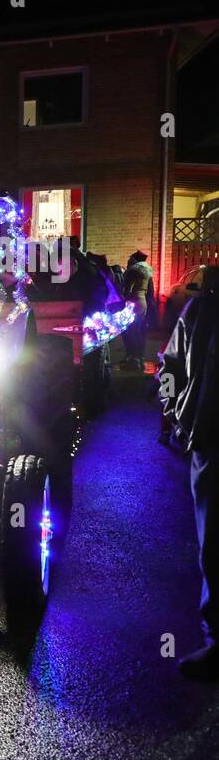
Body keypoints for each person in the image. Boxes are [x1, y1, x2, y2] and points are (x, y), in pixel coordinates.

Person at [161, 266, 219, 678]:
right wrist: (175, 413)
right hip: (210, 441)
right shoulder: (201, 308)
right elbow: (170, 365)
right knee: (214, 545)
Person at [122, 250, 155, 371]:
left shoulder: (133, 271)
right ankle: (139, 356)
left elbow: (127, 290)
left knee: (130, 330)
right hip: (143, 302)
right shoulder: (145, 272)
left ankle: (133, 357)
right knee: (139, 330)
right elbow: (150, 293)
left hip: (133, 302)